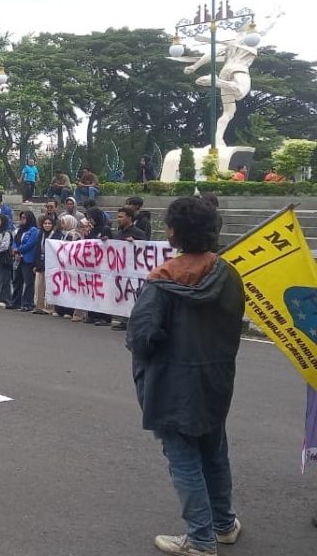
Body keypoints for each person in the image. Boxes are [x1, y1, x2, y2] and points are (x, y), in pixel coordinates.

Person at [126, 197, 244, 556]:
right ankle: (224, 524)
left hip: (172, 384)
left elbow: (142, 336)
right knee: (214, 450)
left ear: (174, 232)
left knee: (183, 458)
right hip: (216, 378)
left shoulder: (162, 282)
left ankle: (200, 539)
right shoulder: (229, 274)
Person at [8, 211, 39, 312]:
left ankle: (27, 303)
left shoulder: (34, 230)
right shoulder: (19, 230)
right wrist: (15, 250)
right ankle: (15, 301)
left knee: (28, 281)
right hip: (18, 258)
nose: (22, 220)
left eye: (24, 218)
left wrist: (19, 250)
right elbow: (14, 242)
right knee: (17, 280)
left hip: (28, 259)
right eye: (21, 218)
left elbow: (31, 243)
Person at [52, 215, 81, 319]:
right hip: (62, 264)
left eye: (64, 222)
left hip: (71, 265)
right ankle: (59, 309)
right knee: (61, 286)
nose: (62, 225)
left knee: (70, 288)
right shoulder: (62, 234)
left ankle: (68, 310)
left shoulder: (74, 235)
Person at [33, 216, 62, 315]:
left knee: (48, 286)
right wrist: (36, 263)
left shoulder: (57, 235)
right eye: (45, 223)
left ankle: (48, 307)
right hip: (40, 263)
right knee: (39, 286)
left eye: (49, 223)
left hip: (51, 263)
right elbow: (37, 249)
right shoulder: (40, 234)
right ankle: (39, 306)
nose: (47, 225)